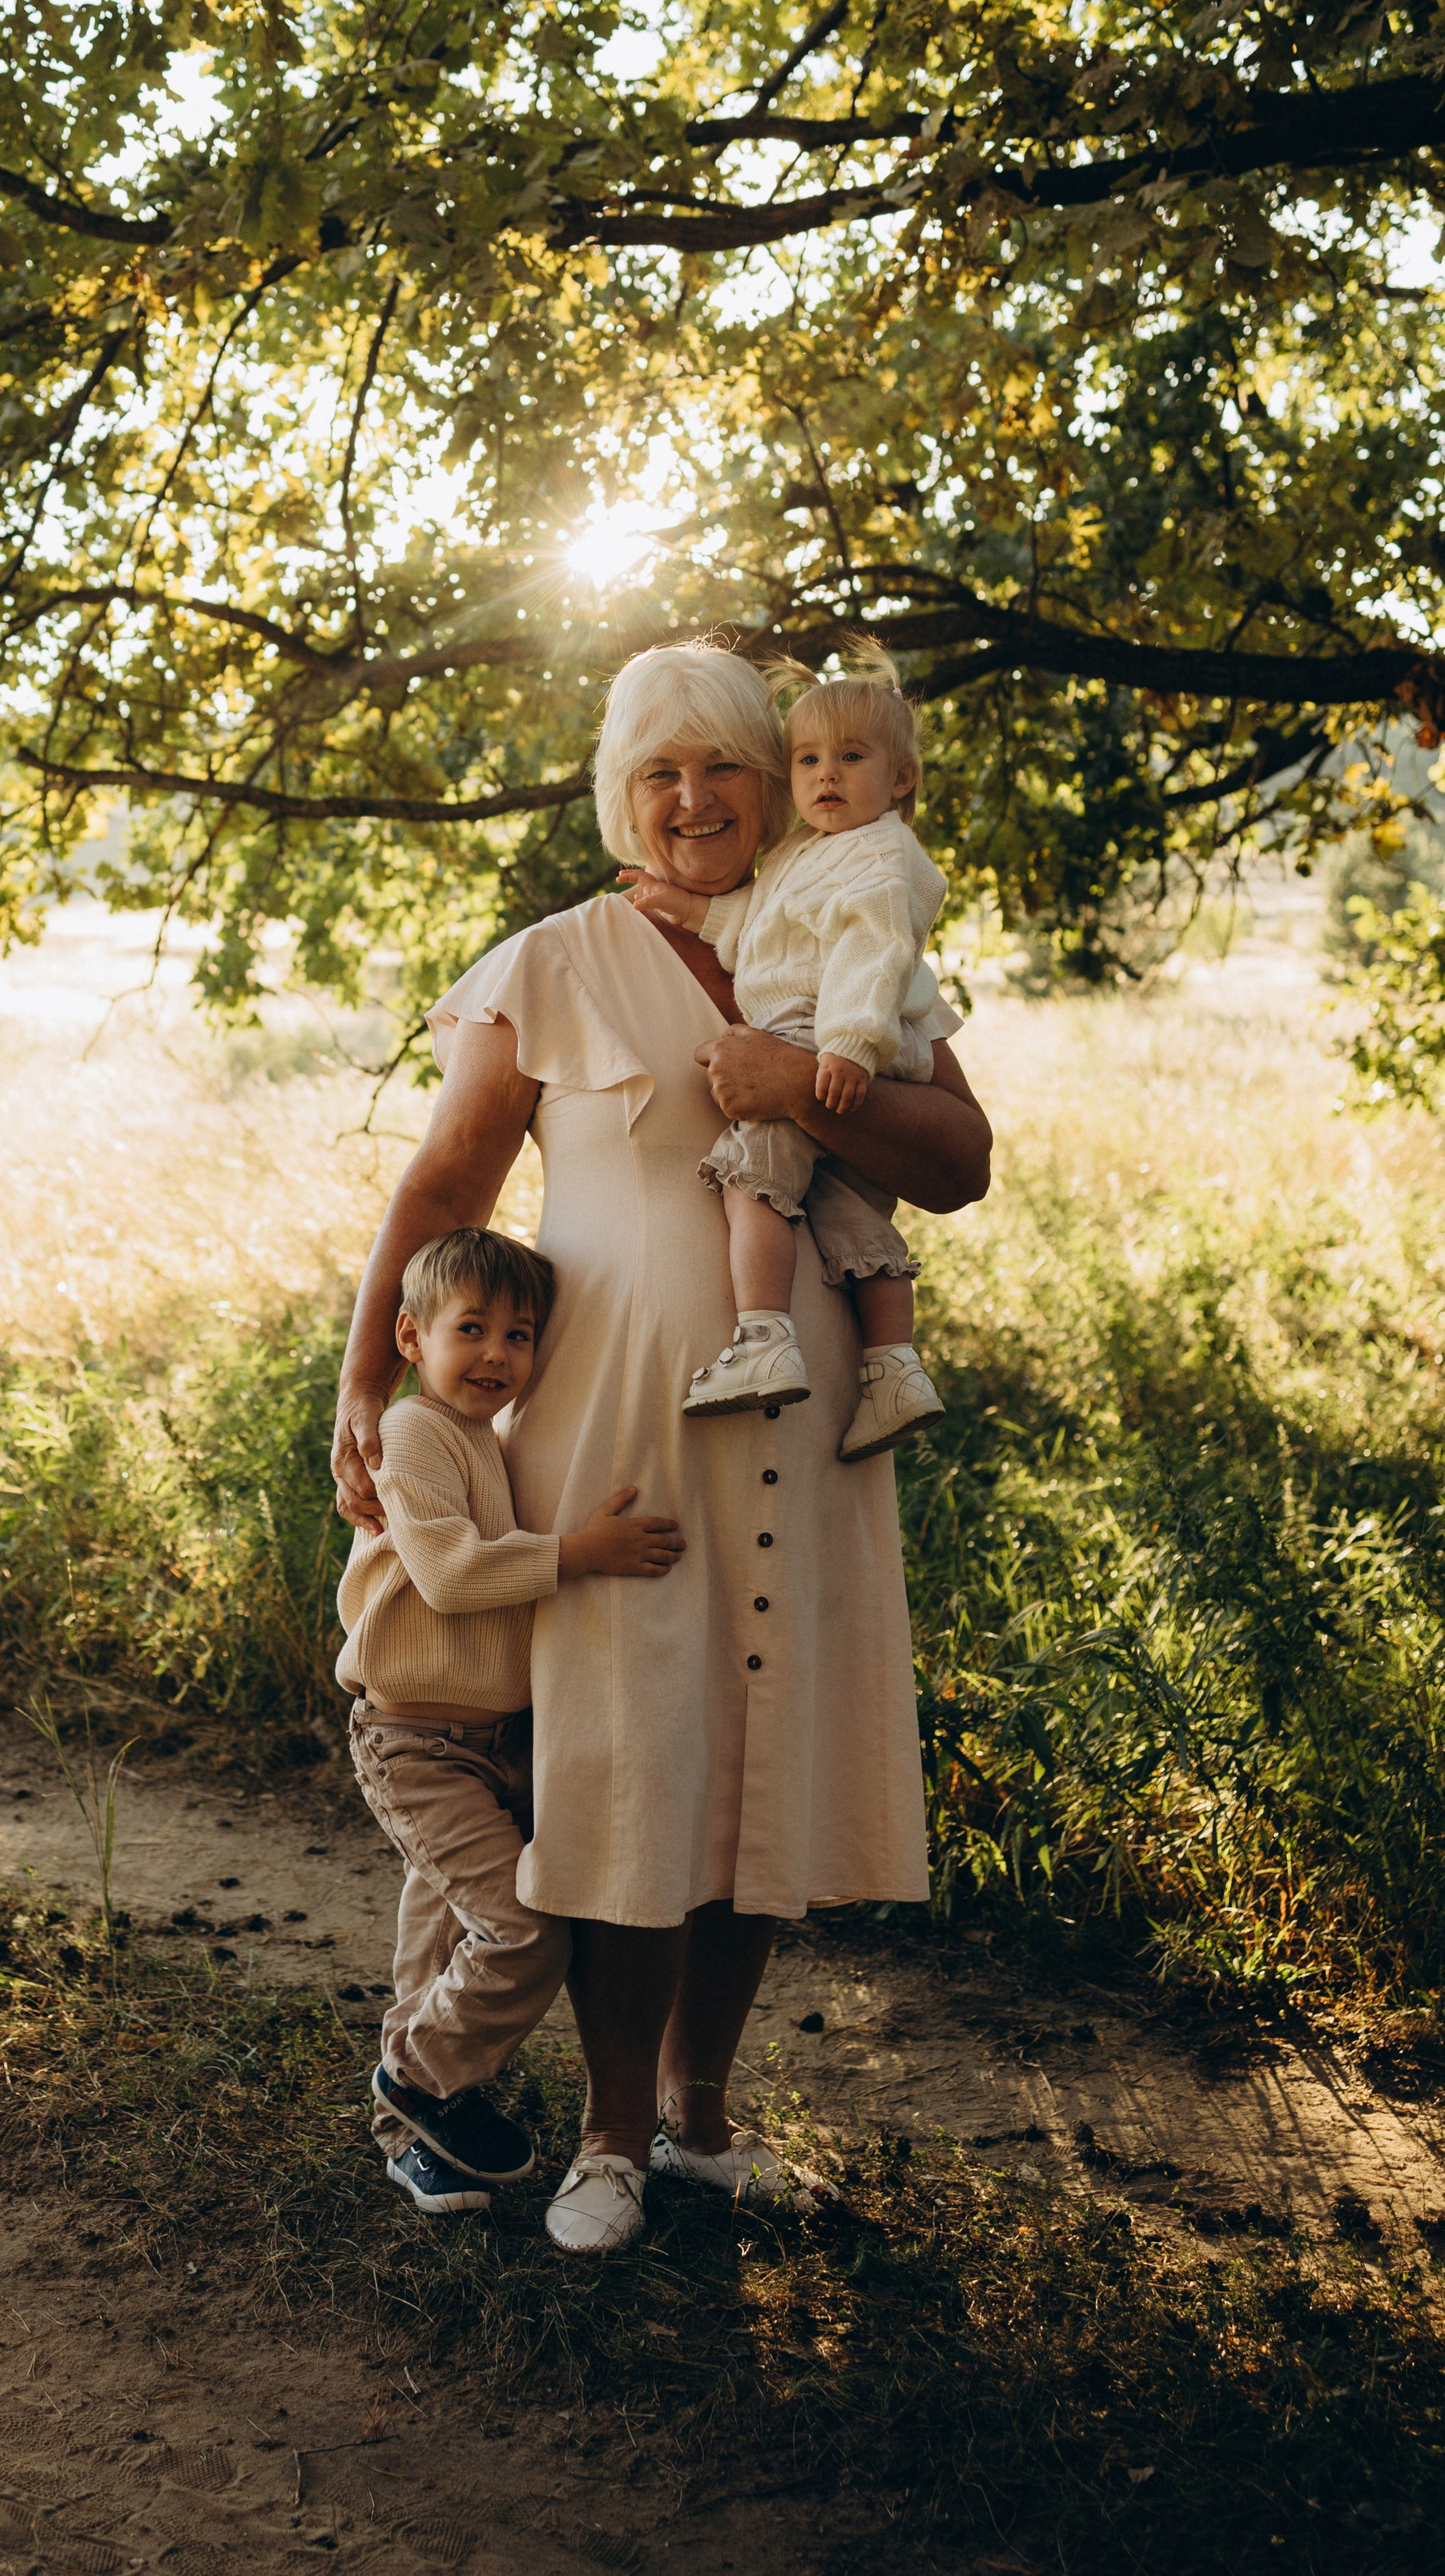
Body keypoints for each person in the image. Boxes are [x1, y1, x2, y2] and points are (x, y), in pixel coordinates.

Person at [331, 639, 991, 2254]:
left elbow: (958, 1160)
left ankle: (698, 2126)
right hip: (615, 1443)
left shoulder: (838, 929)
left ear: (774, 786)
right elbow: (441, 1195)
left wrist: (798, 1086)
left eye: (724, 769)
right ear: (617, 796)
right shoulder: (548, 962)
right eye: (657, 772)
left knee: (754, 1773)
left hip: (807, 1431)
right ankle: (604, 2142)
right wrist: (365, 1387)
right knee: (629, 1775)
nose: (693, 800)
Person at [339, 1224, 685, 2216]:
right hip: (412, 1742)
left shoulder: (491, 1442)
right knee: (520, 1930)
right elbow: (447, 1576)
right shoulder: (409, 1434)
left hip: (488, 1742)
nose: (497, 1353)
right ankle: (413, 2074)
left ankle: (410, 2138)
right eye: (472, 1328)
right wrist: (578, 1552)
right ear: (410, 1337)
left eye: (520, 1334)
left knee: (442, 1931)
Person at [623, 644, 947, 1461]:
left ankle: (763, 1333)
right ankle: (894, 1367)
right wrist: (687, 912)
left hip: (821, 1032)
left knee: (752, 1169)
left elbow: (873, 950)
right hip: (815, 1024)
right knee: (842, 1210)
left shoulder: (878, 855)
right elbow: (765, 939)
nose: (825, 775)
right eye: (807, 758)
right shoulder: (803, 854)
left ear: (899, 779)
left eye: (850, 757)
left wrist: (835, 1055)